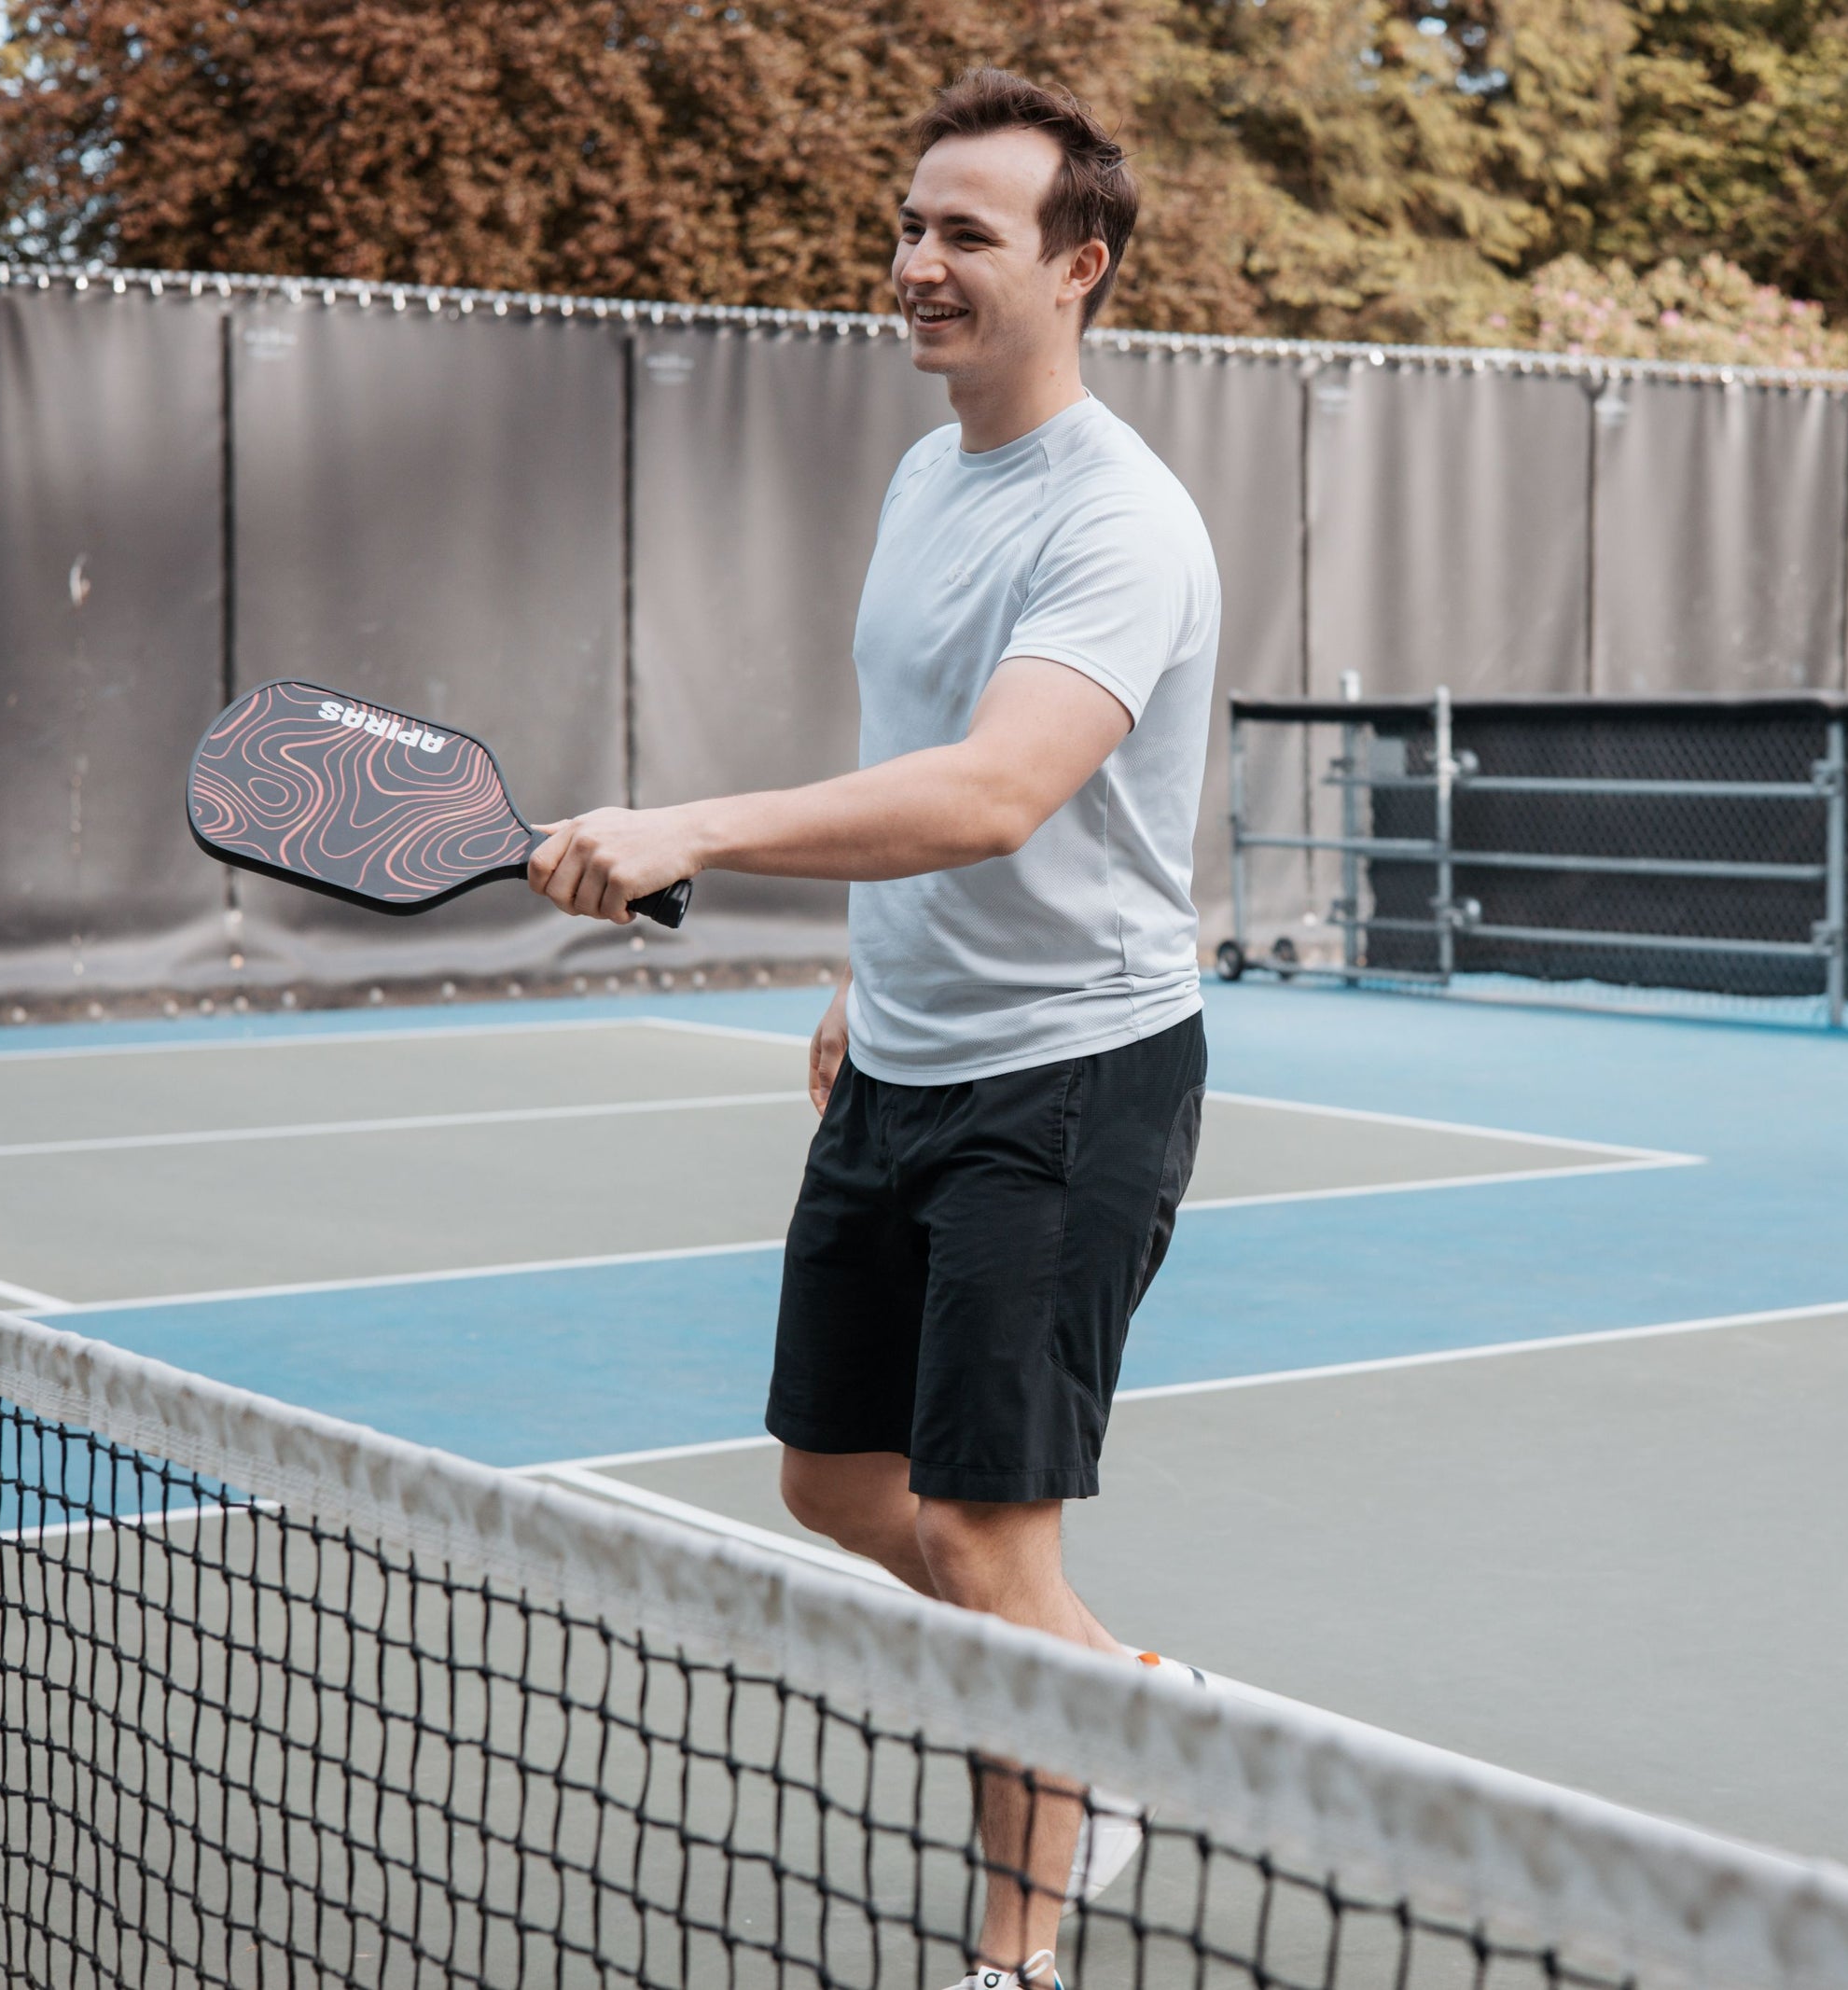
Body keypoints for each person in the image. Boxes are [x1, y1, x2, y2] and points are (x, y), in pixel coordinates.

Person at [526, 67, 1220, 1990]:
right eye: (909, 225)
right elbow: (910, 754)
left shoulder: (1123, 523)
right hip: (902, 1054)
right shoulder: (931, 476)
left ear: (1079, 267)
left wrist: (691, 827)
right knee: (833, 1483)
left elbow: (996, 789)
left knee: (986, 1543)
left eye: (965, 233)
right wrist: (861, 963)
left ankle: (1016, 1956)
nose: (917, 261)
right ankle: (1117, 1697)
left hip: (1065, 1080)